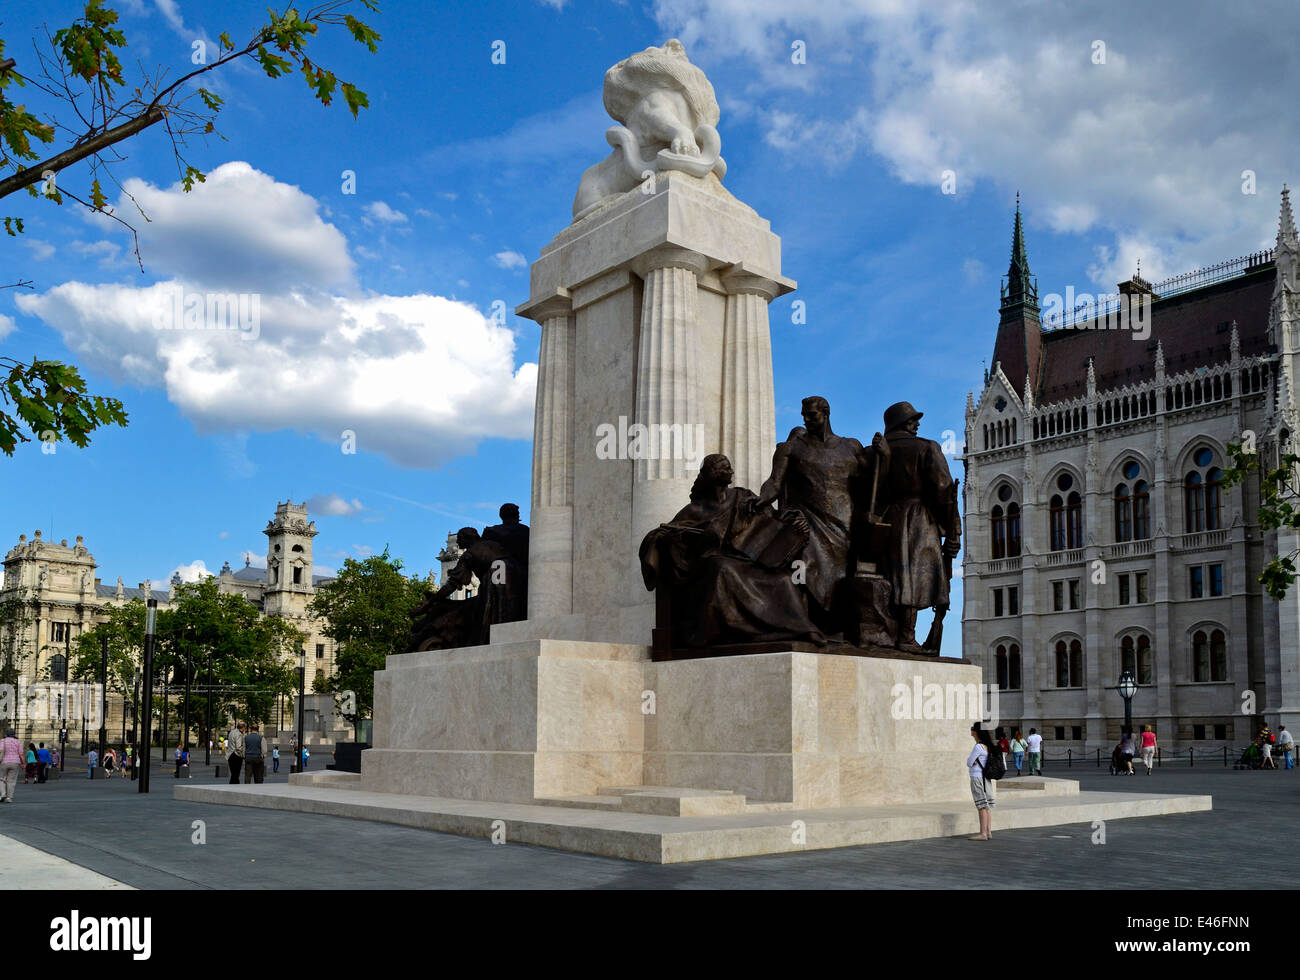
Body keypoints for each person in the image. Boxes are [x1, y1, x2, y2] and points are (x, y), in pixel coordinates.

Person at [967, 723, 996, 840]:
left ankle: (983, 833)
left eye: (973, 728)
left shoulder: (978, 747)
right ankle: (988, 831)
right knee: (986, 805)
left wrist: (971, 761)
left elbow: (969, 762)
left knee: (981, 806)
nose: (971, 730)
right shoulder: (987, 746)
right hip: (985, 778)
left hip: (977, 777)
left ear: (976, 732)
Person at [2, 729, 24, 801]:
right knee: (11, 781)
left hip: (4, 762)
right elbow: (21, 754)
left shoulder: (2, 741)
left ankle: (3, 794)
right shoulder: (17, 742)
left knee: (1, 779)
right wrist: (23, 763)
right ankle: (9, 797)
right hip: (15, 762)